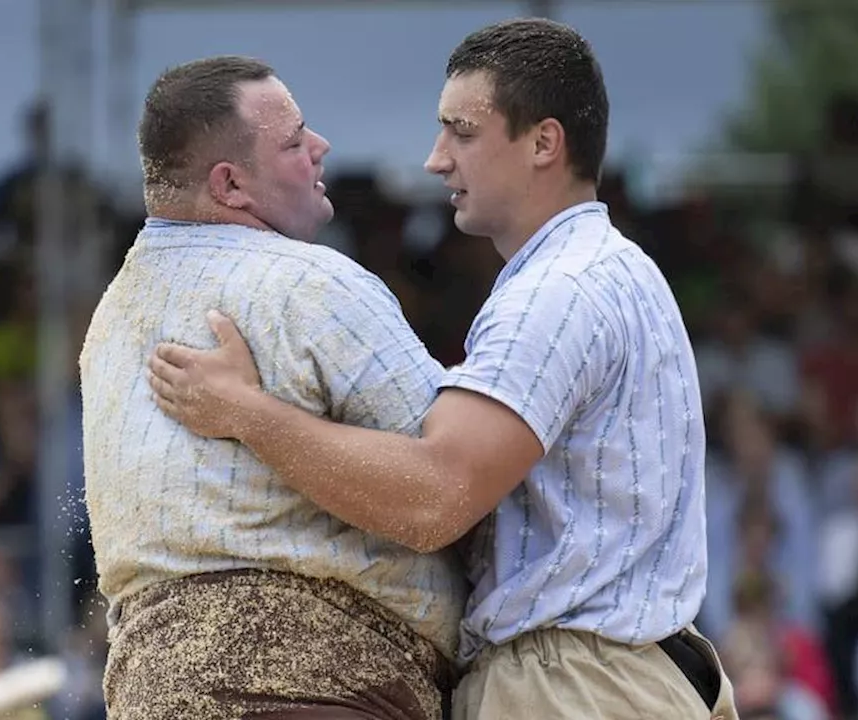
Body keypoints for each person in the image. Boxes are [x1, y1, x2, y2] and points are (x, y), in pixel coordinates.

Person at [148, 18, 738, 720]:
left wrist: (245, 411)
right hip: (624, 676)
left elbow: (433, 499)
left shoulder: (557, 291)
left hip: (572, 685)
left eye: (461, 131)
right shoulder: (610, 268)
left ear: (544, 142)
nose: (435, 158)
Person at [80, 56, 466, 719]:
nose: (321, 148)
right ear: (230, 184)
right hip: (321, 691)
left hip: (150, 696)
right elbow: (452, 492)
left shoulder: (108, 322)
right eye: (294, 142)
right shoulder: (312, 284)